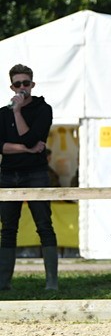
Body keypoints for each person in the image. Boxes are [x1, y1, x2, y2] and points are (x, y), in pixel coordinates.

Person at [0, 64, 57, 290]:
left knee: (44, 225)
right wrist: (25, 149)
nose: (22, 88)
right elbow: (2, 146)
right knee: (7, 229)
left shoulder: (43, 109)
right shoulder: (2, 113)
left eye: (26, 83)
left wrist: (17, 112)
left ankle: (51, 282)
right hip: (7, 174)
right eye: (17, 84)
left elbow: (32, 139)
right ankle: (4, 283)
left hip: (36, 174)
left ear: (32, 85)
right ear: (11, 86)